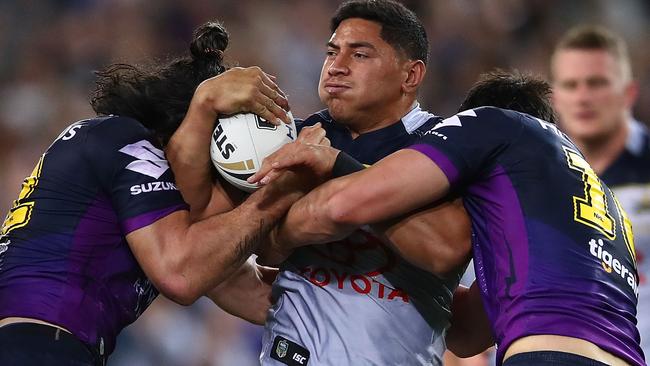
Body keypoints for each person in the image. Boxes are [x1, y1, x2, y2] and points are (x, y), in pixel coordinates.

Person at [251, 70, 645, 366]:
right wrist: (387, 286)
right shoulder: (603, 204)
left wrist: (328, 162)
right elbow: (471, 333)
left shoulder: (493, 122)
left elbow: (345, 204)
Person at [0, 21, 310, 365]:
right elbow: (179, 275)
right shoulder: (124, 140)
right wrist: (278, 194)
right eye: (220, 177)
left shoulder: (149, 214)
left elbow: (249, 292)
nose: (224, 197)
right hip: (38, 344)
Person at [254, 1, 470, 365]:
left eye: (360, 54)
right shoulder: (295, 138)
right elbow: (262, 249)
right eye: (331, 52)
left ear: (410, 76)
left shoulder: (447, 147)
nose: (336, 67)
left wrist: (338, 175)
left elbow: (443, 248)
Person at [551, 25, 650, 356]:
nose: (582, 97)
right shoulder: (531, 174)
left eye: (597, 83)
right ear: (556, 96)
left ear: (629, 93)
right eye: (570, 85)